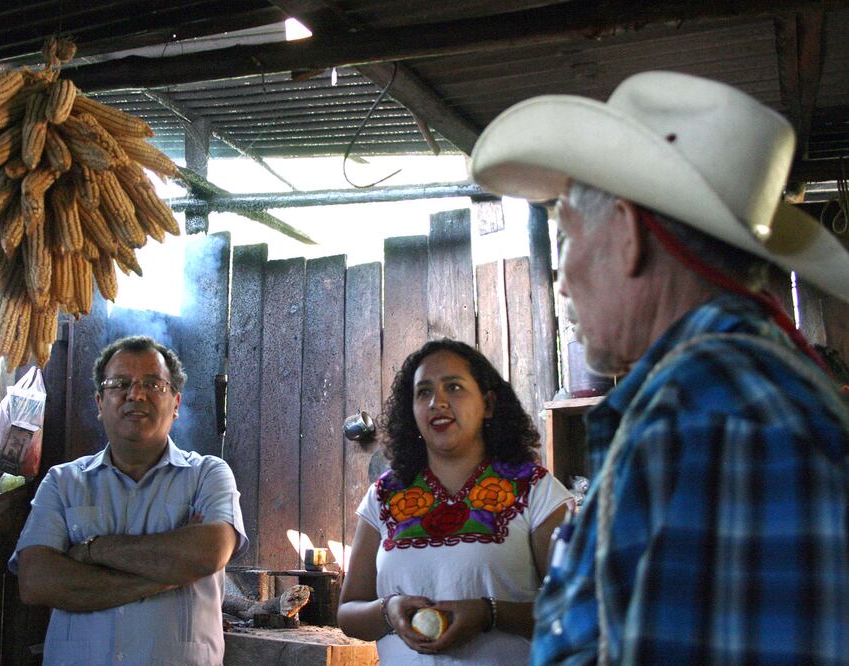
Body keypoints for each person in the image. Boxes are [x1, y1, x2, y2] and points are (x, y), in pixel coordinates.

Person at [471, 70, 849, 664]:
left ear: (626, 232)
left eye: (566, 237)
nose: (562, 280)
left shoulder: (709, 418)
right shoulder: (718, 396)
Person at [10, 335, 247, 665]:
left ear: (176, 404)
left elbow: (210, 552)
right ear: (99, 402)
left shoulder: (207, 474)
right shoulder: (63, 482)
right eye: (119, 383)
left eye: (153, 384)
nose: (136, 394)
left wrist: (93, 550)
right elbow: (37, 582)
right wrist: (171, 572)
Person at [338, 339, 572, 664]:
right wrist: (388, 611)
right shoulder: (383, 496)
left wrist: (489, 614)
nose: (438, 402)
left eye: (454, 387)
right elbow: (348, 612)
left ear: (488, 404)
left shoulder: (535, 490)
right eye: (423, 392)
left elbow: (577, 608)